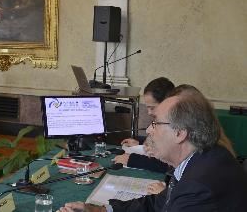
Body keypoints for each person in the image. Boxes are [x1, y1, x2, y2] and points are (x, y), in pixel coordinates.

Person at [56, 85, 247, 212]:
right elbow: (156, 202)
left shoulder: (198, 187)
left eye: (155, 123)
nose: (148, 129)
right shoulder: (201, 158)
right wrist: (100, 210)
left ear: (180, 133)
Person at [113, 77, 175, 174]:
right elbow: (156, 143)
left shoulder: (174, 125)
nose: (149, 112)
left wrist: (132, 160)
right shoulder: (163, 119)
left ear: (166, 103)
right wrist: (141, 143)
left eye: (152, 108)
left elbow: (169, 165)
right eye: (147, 108)